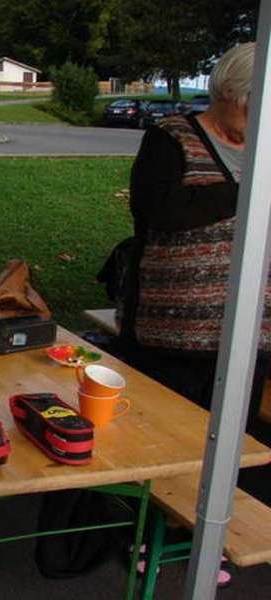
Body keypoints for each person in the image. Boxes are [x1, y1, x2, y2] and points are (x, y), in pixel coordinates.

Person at [118, 41, 269, 467]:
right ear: (228, 92)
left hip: (248, 340)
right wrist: (248, 193)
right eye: (252, 105)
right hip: (170, 338)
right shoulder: (170, 138)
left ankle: (202, 533)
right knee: (157, 449)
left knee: (229, 458)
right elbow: (162, 211)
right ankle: (141, 534)